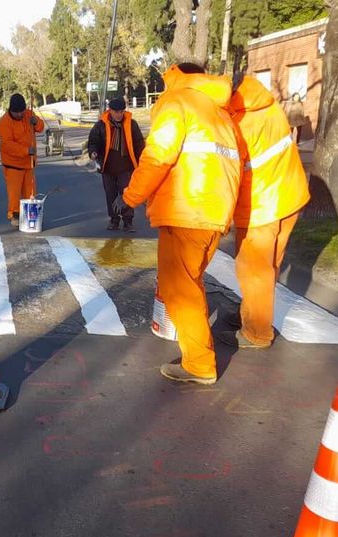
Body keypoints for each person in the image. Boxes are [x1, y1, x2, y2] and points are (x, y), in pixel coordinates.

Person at [115, 63, 242, 385]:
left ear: (175, 77)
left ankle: (200, 364)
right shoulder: (219, 111)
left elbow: (158, 156)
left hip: (187, 208)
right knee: (191, 282)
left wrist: (128, 197)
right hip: (213, 213)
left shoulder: (177, 102)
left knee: (179, 289)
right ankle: (198, 354)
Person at [220, 75, 310, 350]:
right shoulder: (269, 107)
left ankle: (257, 333)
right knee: (268, 266)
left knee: (254, 270)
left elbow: (230, 174)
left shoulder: (239, 123)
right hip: (290, 196)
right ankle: (251, 314)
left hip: (262, 205)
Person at [88, 97, 146, 232]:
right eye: (116, 112)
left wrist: (142, 160)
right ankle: (114, 220)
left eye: (121, 111)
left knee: (126, 194)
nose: (119, 114)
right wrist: (93, 152)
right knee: (110, 194)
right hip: (107, 167)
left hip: (126, 167)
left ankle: (128, 221)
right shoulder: (101, 125)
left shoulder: (132, 124)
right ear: (110, 111)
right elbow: (93, 141)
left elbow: (139, 144)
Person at [0, 93, 45, 226]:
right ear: (11, 110)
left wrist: (36, 123)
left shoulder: (29, 114)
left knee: (30, 192)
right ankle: (14, 215)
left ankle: (30, 214)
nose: (20, 114)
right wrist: (25, 151)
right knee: (14, 193)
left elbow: (40, 128)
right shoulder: (4, 123)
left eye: (21, 111)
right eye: (17, 112)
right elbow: (7, 145)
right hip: (13, 165)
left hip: (29, 163)